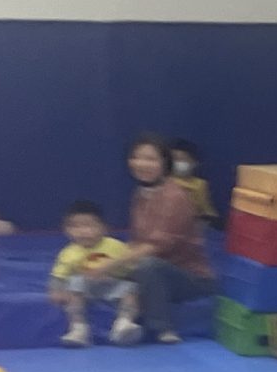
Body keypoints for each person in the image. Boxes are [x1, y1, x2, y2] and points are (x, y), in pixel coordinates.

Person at [120, 133, 211, 342]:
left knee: (147, 266)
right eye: (137, 157)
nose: (142, 164)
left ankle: (162, 328)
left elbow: (155, 246)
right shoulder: (141, 193)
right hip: (154, 271)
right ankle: (123, 322)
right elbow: (137, 241)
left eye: (150, 159)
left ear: (164, 163)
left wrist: (109, 265)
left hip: (190, 277)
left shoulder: (175, 196)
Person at [50, 201, 139, 347]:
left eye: (89, 226)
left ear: (103, 228)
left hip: (112, 284)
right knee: (74, 284)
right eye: (76, 227)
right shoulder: (68, 253)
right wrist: (55, 290)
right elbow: (59, 275)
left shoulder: (115, 246)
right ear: (67, 230)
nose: (83, 231)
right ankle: (78, 328)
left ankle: (124, 323)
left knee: (131, 291)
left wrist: (120, 275)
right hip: (85, 288)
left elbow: (131, 267)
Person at [169, 139, 219, 224]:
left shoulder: (200, 185)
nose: (177, 163)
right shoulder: (163, 181)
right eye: (174, 159)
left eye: (182, 159)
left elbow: (207, 211)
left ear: (194, 162)